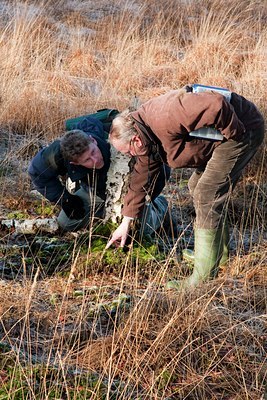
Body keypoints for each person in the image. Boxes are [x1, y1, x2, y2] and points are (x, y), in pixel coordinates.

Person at [105, 85, 265, 289]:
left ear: (135, 140)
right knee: (196, 184)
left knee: (207, 191)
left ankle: (204, 275)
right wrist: (126, 221)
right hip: (227, 135)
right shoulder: (144, 135)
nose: (130, 156)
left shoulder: (165, 116)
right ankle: (218, 255)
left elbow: (215, 104)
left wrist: (232, 134)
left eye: (128, 152)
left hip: (243, 129)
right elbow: (141, 178)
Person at [28, 116, 170, 232]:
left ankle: (160, 208)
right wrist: (64, 198)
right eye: (87, 160)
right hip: (93, 190)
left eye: (93, 152)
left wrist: (146, 197)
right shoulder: (56, 155)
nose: (95, 160)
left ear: (93, 141)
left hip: (130, 191)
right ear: (75, 164)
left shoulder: (117, 141)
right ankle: (104, 213)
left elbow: (160, 165)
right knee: (67, 224)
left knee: (139, 230)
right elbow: (37, 173)